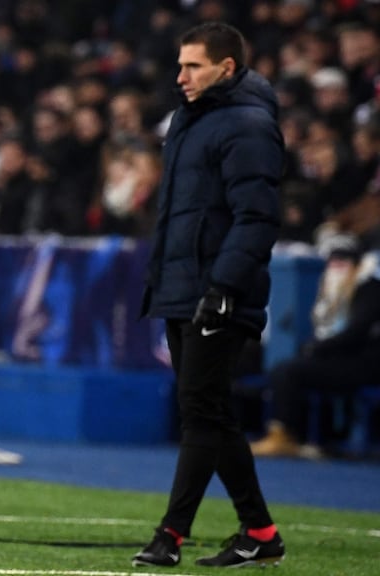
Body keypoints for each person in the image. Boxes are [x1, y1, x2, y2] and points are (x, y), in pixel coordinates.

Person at [133, 22, 286, 568]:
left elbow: (257, 216)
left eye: (193, 66)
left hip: (218, 293)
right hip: (183, 289)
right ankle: (261, 533)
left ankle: (170, 536)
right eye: (179, 65)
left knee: (200, 412)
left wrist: (224, 287)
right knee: (210, 413)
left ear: (227, 67)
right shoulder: (189, 121)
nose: (181, 77)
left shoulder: (248, 125)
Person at [251, 238, 380, 457]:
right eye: (333, 261)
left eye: (343, 260)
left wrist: (318, 347)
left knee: (287, 371)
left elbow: (356, 332)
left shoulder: (369, 288)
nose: (336, 266)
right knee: (284, 367)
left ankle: (285, 435)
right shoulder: (331, 290)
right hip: (340, 358)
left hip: (363, 363)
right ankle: (292, 433)